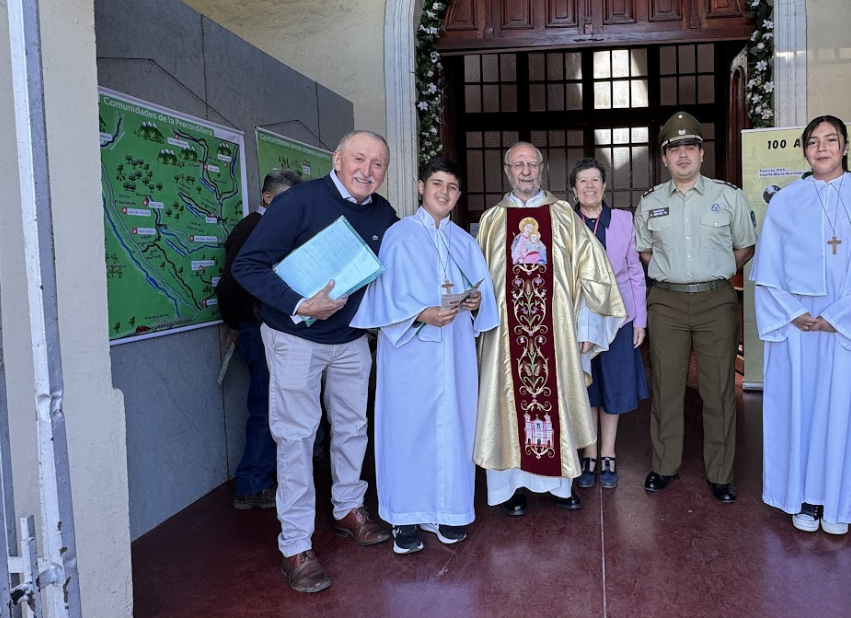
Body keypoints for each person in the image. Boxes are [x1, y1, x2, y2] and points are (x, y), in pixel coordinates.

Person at [232, 130, 397, 593]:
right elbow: (247, 267)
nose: (367, 170)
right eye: (359, 159)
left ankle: (348, 507)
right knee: (297, 437)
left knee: (351, 427)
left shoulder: (383, 213)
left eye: (378, 164)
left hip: (349, 340)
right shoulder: (298, 203)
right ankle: (296, 545)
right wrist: (300, 305)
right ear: (337, 158)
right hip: (294, 337)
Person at [749, 115, 851, 535]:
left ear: (844, 147)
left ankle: (835, 503)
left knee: (838, 413)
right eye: (814, 141)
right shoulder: (785, 201)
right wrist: (792, 313)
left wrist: (838, 319)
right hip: (798, 326)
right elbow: (766, 273)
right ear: (804, 150)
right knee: (796, 409)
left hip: (843, 326)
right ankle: (801, 498)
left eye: (831, 140)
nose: (822, 148)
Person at [352, 157, 499, 555]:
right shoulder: (399, 235)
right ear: (421, 187)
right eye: (437, 184)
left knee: (453, 428)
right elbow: (381, 299)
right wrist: (422, 314)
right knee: (407, 429)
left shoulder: (465, 242)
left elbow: (484, 298)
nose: (444, 193)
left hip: (453, 352)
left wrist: (473, 302)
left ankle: (446, 511)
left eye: (452, 187)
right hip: (410, 352)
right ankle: (403, 517)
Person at [475, 141, 625, 515]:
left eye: (532, 164)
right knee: (506, 401)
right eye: (518, 164)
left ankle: (560, 485)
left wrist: (588, 325)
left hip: (555, 333)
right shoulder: (492, 219)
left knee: (554, 398)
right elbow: (476, 281)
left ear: (542, 169)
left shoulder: (562, 215)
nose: (525, 170)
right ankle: (511, 487)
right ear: (506, 170)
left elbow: (592, 272)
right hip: (506, 337)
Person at [634, 111, 756, 503]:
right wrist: (676, 276)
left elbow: (744, 246)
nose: (683, 155)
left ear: (702, 154)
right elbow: (645, 252)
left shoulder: (729, 197)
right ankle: (664, 465)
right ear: (664, 158)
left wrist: (713, 274)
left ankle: (720, 472)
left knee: (718, 389)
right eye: (674, 149)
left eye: (690, 147)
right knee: (666, 386)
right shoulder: (650, 202)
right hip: (667, 303)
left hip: (715, 301)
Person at [216, 168, 302, 510]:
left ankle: (261, 477)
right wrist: (235, 324)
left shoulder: (270, 226)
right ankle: (252, 483)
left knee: (275, 404)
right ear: (268, 197)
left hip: (272, 327)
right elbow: (230, 285)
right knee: (266, 405)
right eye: (288, 199)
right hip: (256, 328)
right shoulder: (251, 229)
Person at [569, 158, 648, 490]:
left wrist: (640, 320)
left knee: (613, 386)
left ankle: (608, 453)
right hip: (577, 319)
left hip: (618, 318)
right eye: (582, 181)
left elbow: (634, 272)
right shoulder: (565, 222)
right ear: (573, 189)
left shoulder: (624, 221)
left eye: (595, 180)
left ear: (604, 185)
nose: (589, 186)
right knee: (587, 388)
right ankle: (588, 451)